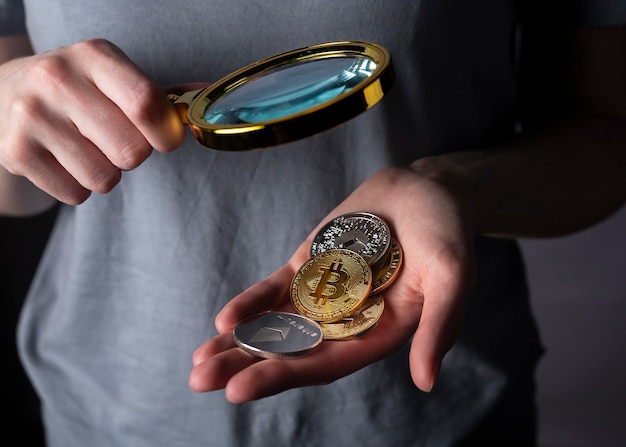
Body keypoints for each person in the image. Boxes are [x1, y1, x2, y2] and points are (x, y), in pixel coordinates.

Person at [1, 0, 625, 445]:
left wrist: (453, 187)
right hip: (110, 412)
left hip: (431, 417)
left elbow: (606, 134)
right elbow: (19, 193)